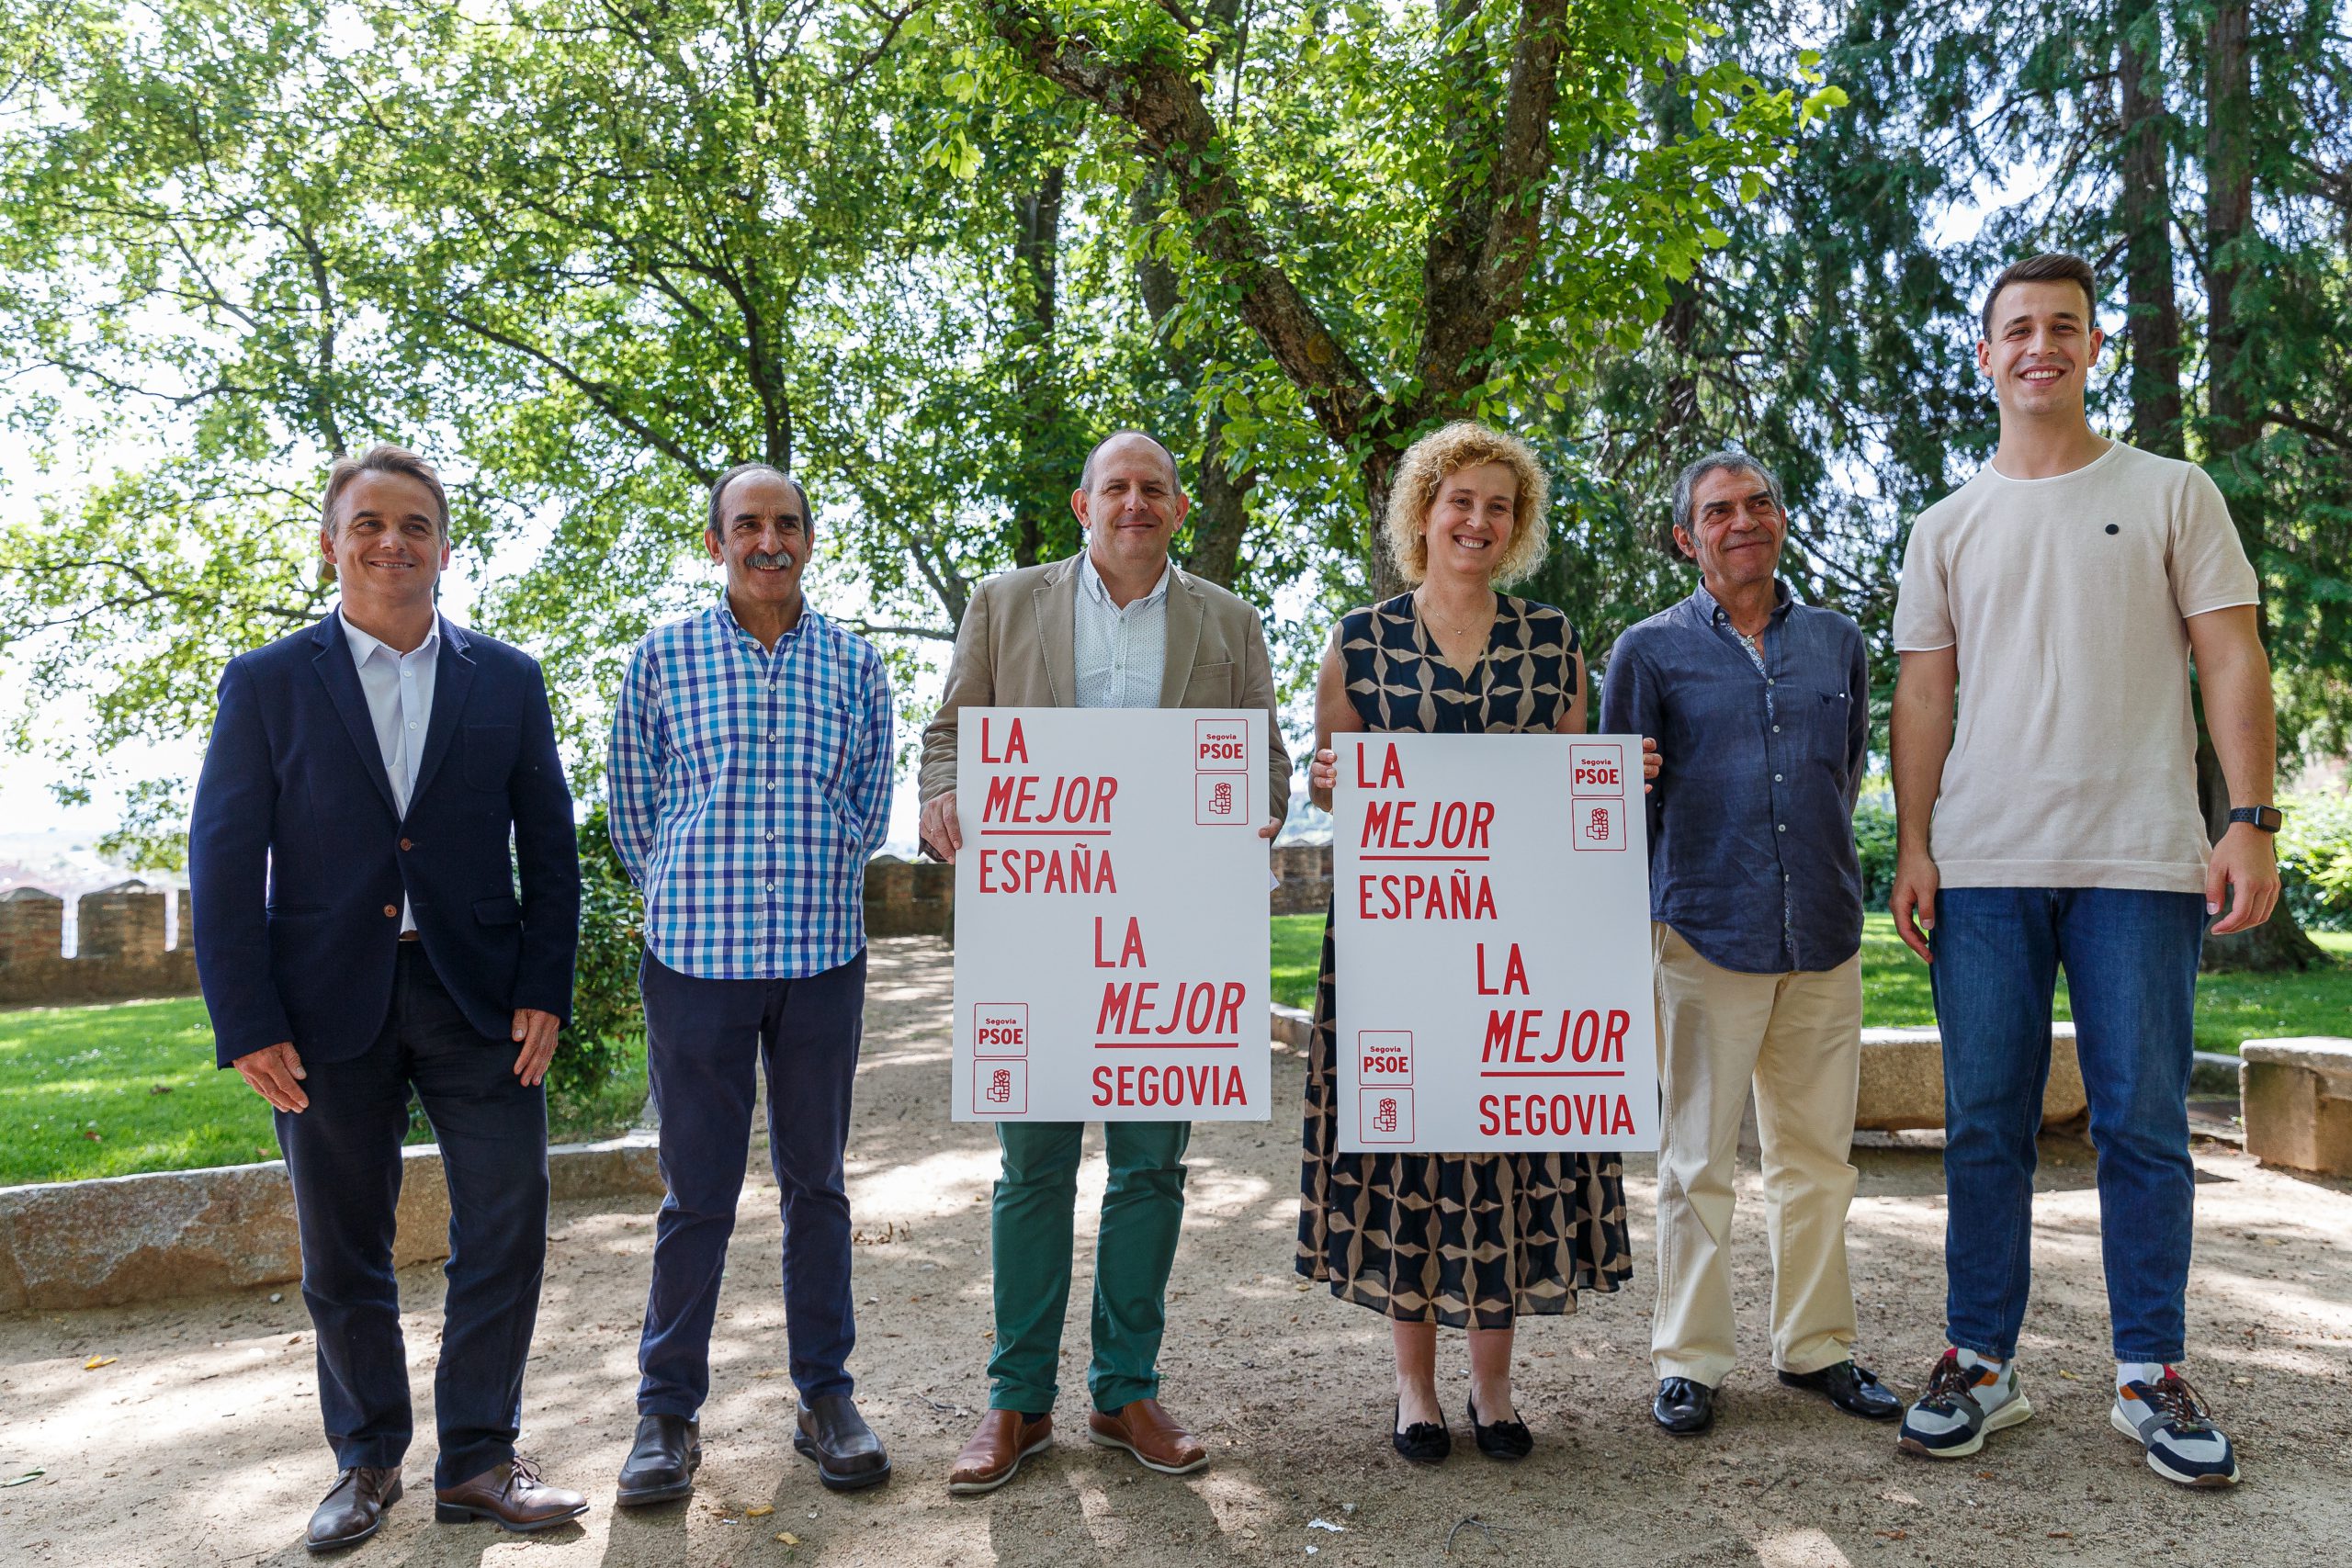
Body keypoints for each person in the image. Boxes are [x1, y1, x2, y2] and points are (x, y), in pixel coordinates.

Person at [1888, 253, 2278, 1487]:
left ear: (2095, 346)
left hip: (2141, 859)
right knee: (1983, 1125)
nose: (2039, 345)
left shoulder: (2171, 492)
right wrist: (1912, 838)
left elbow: (2230, 657)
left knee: (2144, 1125)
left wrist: (2251, 814)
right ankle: (1979, 1359)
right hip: (1986, 863)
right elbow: (1924, 691)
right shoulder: (1945, 525)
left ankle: (2150, 1371)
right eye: (2017, 329)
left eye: (2063, 326)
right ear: (1987, 353)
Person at [189, 445, 587, 1549]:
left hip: (481, 1003)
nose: (390, 542)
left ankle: (478, 1460)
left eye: (414, 525)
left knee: (507, 1227)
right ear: (332, 543)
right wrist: (247, 1020)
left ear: (445, 550)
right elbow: (222, 861)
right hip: (321, 1014)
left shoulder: (505, 679)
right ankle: (365, 1463)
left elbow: (549, 851)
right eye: (368, 524)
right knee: (342, 1249)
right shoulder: (268, 682)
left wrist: (544, 985)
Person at [920, 430, 1294, 1495]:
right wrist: (944, 796)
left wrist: (1253, 815)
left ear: (1180, 511)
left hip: (1169, 936)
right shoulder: (1004, 601)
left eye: (1154, 490)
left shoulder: (1228, 619)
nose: (1135, 503)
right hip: (1038, 928)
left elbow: (1261, 756)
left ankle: (1125, 1388)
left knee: (1148, 1170)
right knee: (1031, 1168)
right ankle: (1017, 1401)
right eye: (1115, 488)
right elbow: (951, 732)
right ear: (1083, 507)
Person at [1299, 420, 1654, 1463]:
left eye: (1499, 506)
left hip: (1518, 948)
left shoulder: (1551, 640)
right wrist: (1327, 783)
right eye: (1460, 501)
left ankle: (1493, 1392)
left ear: (1518, 525)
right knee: (1407, 1153)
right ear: (1423, 512)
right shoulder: (1357, 640)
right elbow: (1334, 781)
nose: (1478, 520)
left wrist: (1609, 782)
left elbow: (1564, 793)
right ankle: (1415, 1392)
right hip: (1394, 948)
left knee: (1510, 1150)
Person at [606, 463, 896, 1500]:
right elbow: (634, 805)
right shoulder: (662, 658)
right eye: (747, 525)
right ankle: (666, 1413)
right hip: (696, 961)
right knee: (698, 1195)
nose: (767, 540)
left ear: (808, 539)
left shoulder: (856, 666)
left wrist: (811, 876)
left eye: (786, 524)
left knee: (815, 1184)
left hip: (821, 957)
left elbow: (868, 801)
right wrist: (687, 889)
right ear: (717, 539)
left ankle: (825, 1398)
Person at [1600, 452, 1899, 1437]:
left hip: (1820, 928)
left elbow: (1840, 776)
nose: (1743, 522)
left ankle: (1816, 1349)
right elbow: (1620, 802)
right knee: (1696, 1161)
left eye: (1758, 503)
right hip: (1701, 934)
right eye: (1718, 511)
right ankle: (1689, 1360)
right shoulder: (1645, 652)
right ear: (1687, 538)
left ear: (1779, 520)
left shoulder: (1838, 643)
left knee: (1818, 1160)